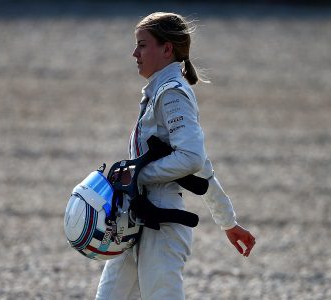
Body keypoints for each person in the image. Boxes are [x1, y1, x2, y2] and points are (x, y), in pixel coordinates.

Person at [95, 12, 256, 300]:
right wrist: (228, 221)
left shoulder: (172, 94)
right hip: (135, 221)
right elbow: (201, 165)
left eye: (142, 45)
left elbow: (193, 159)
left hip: (162, 225)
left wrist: (138, 175)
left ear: (167, 49)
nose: (134, 53)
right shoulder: (160, 92)